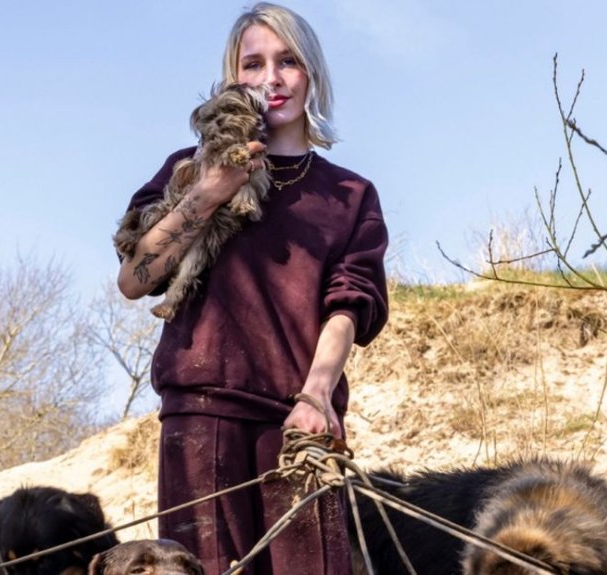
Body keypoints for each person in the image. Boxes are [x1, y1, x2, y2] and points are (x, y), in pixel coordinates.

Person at [116, 3, 389, 573]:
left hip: (297, 428)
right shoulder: (185, 171)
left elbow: (349, 306)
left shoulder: (350, 194)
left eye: (288, 62)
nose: (271, 79)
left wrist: (317, 395)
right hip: (199, 419)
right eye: (253, 63)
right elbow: (135, 277)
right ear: (232, 77)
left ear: (311, 73)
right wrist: (209, 191)